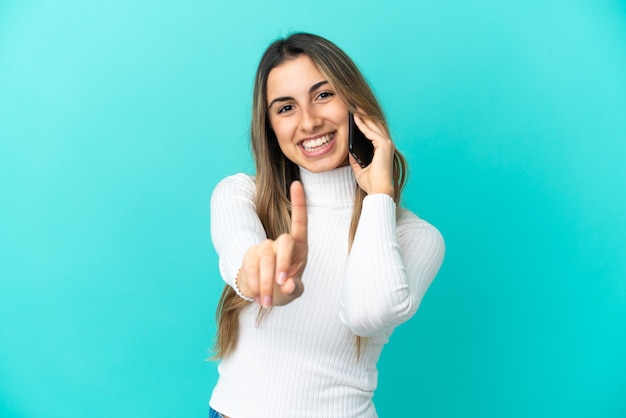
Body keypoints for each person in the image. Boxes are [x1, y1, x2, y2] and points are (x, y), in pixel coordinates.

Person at [208, 32, 445, 418]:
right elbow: (240, 253)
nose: (309, 121)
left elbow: (368, 315)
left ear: (355, 103)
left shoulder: (415, 237)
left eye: (323, 95)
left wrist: (378, 194)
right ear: (269, 126)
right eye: (285, 108)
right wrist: (264, 278)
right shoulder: (241, 195)